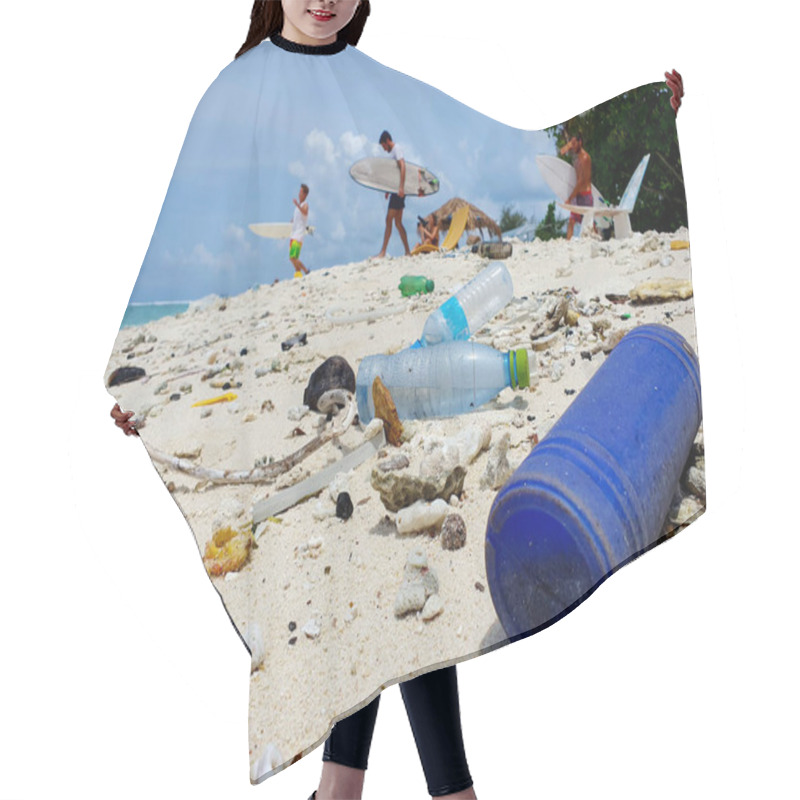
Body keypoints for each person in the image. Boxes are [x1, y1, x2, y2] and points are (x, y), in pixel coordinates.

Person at [374, 130, 412, 259]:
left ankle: (383, 252)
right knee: (398, 223)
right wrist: (388, 190)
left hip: (399, 191)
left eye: (383, 145)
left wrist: (401, 187)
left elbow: (403, 166)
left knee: (389, 219)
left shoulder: (397, 149)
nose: (383, 148)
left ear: (387, 141)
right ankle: (407, 252)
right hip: (395, 190)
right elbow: (393, 173)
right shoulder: (392, 152)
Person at [560, 131, 594, 240]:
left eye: (575, 143)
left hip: (585, 196)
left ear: (580, 142)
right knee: (571, 221)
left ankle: (599, 240)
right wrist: (568, 146)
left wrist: (570, 198)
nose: (573, 146)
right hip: (578, 196)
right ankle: (567, 243)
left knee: (589, 223)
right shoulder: (577, 159)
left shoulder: (585, 158)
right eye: (572, 144)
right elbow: (561, 152)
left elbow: (581, 181)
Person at [290, 183, 311, 278]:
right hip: (293, 234)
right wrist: (292, 221)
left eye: (300, 192)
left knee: (293, 257)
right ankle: (298, 275)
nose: (299, 194)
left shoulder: (305, 205)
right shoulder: (298, 207)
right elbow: (299, 218)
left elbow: (305, 212)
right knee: (293, 258)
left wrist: (297, 205)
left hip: (298, 236)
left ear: (305, 194)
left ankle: (306, 271)